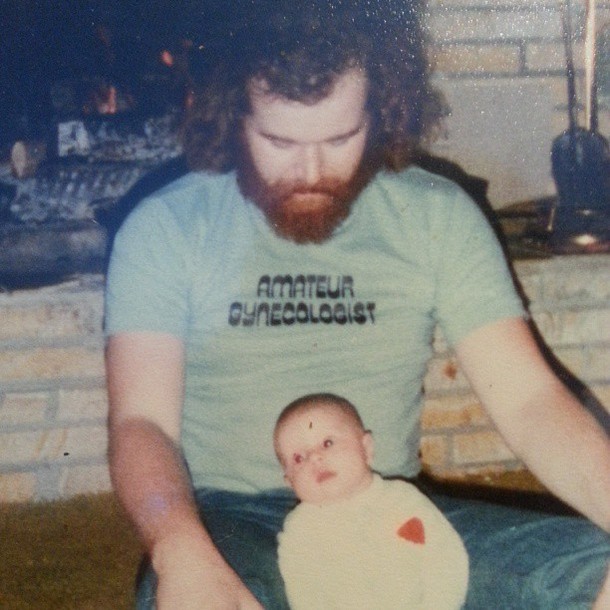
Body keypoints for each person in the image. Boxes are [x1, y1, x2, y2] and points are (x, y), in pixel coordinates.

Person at [104, 2, 610, 608]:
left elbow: (530, 402)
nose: (312, 171)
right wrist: (177, 547)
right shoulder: (166, 227)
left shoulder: (436, 215)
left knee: (591, 571)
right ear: (235, 116)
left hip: (390, 506)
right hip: (235, 521)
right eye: (281, 140)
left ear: (380, 112)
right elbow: (142, 424)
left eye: (340, 137)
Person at [274, 392, 469, 609]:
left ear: (366, 448)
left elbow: (445, 557)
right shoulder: (299, 530)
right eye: (299, 458)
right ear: (289, 481)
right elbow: (304, 594)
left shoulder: (402, 500)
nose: (315, 458)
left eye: (327, 443)